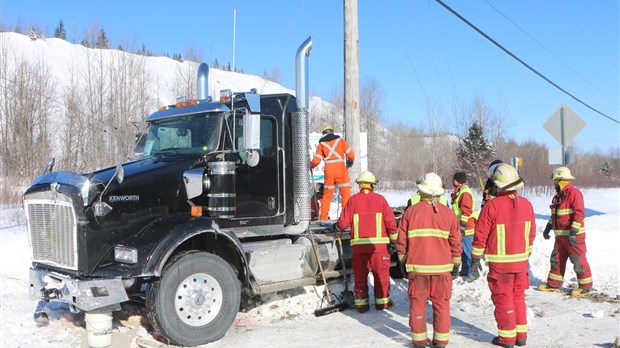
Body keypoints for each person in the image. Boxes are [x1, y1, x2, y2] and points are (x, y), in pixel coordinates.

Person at [471, 163, 535, 348]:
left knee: (503, 299)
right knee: (518, 298)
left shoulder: (492, 206)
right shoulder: (527, 205)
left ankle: (506, 339)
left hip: (501, 265)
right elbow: (530, 235)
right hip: (521, 263)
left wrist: (475, 258)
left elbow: (480, 234)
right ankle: (521, 336)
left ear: (498, 184)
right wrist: (525, 254)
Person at [396, 172, 461, 348]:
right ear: (439, 193)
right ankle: (440, 341)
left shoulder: (410, 212)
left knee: (417, 304)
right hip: (442, 270)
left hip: (417, 269)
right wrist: (456, 263)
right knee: (442, 305)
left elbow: (401, 241)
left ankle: (419, 340)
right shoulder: (449, 214)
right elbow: (456, 242)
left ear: (421, 191)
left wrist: (402, 261)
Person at [336, 171, 397, 313]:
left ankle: (362, 305)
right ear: (372, 185)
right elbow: (391, 223)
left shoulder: (353, 200)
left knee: (360, 275)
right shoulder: (380, 200)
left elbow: (343, 223)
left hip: (359, 247)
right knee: (381, 275)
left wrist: (337, 227)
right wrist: (393, 242)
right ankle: (382, 303)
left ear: (360, 185)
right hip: (379, 247)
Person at [537, 166, 593, 297]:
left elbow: (579, 214)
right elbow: (556, 215)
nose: (554, 183)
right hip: (560, 237)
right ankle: (553, 284)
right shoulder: (559, 196)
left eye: (555, 180)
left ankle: (585, 287)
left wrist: (573, 232)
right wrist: (548, 227)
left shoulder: (575, 194)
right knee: (556, 259)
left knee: (577, 260)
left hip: (574, 237)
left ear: (561, 180)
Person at [310, 125, 355, 220]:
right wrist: (349, 162)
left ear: (323, 134)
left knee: (327, 195)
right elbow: (351, 154)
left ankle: (324, 218)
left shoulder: (321, 144)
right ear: (332, 132)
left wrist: (310, 165)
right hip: (341, 170)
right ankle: (346, 218)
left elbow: (317, 160)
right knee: (345, 193)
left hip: (329, 171)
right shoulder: (340, 141)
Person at [451, 171, 478, 281]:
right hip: (462, 227)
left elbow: (466, 211)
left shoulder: (465, 193)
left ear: (456, 180)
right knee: (462, 251)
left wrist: (462, 227)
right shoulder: (460, 191)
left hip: (467, 228)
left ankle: (471, 273)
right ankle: (465, 270)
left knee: (467, 251)